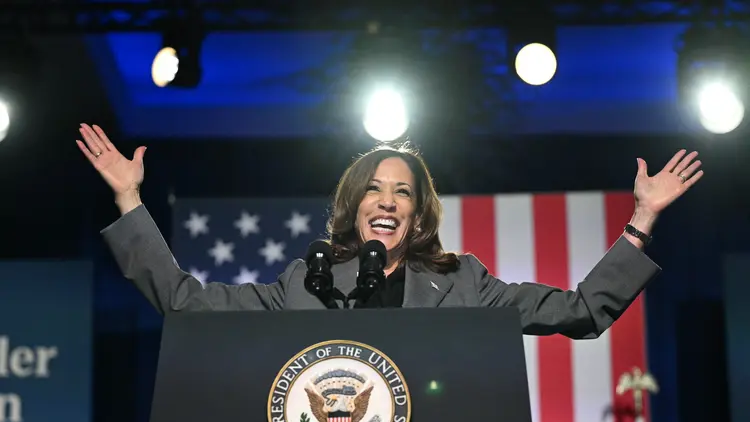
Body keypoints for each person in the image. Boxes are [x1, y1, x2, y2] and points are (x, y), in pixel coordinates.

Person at [76, 123, 703, 338]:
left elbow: (580, 311)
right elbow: (185, 303)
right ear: (353, 208)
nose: (387, 200)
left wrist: (643, 218)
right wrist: (130, 196)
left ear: (418, 214)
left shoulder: (465, 285)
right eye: (374, 189)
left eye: (403, 192)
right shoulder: (303, 284)